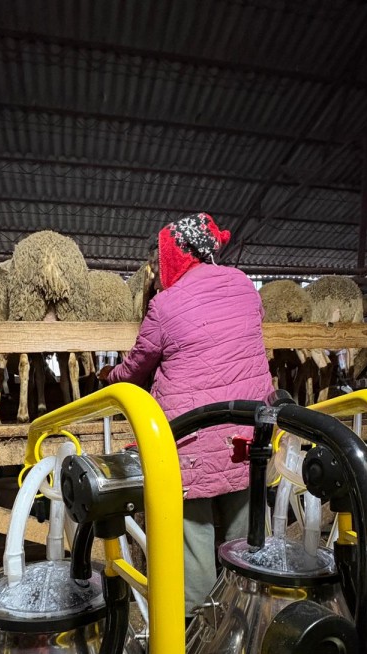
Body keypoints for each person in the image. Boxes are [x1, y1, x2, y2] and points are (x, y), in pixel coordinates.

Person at [98, 212, 273, 619]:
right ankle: (242, 627)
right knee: (244, 539)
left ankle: (195, 637)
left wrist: (110, 376)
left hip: (190, 444)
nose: (157, 273)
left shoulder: (165, 304)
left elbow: (137, 366)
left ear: (173, 259)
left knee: (192, 541)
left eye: (159, 263)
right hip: (250, 437)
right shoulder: (246, 285)